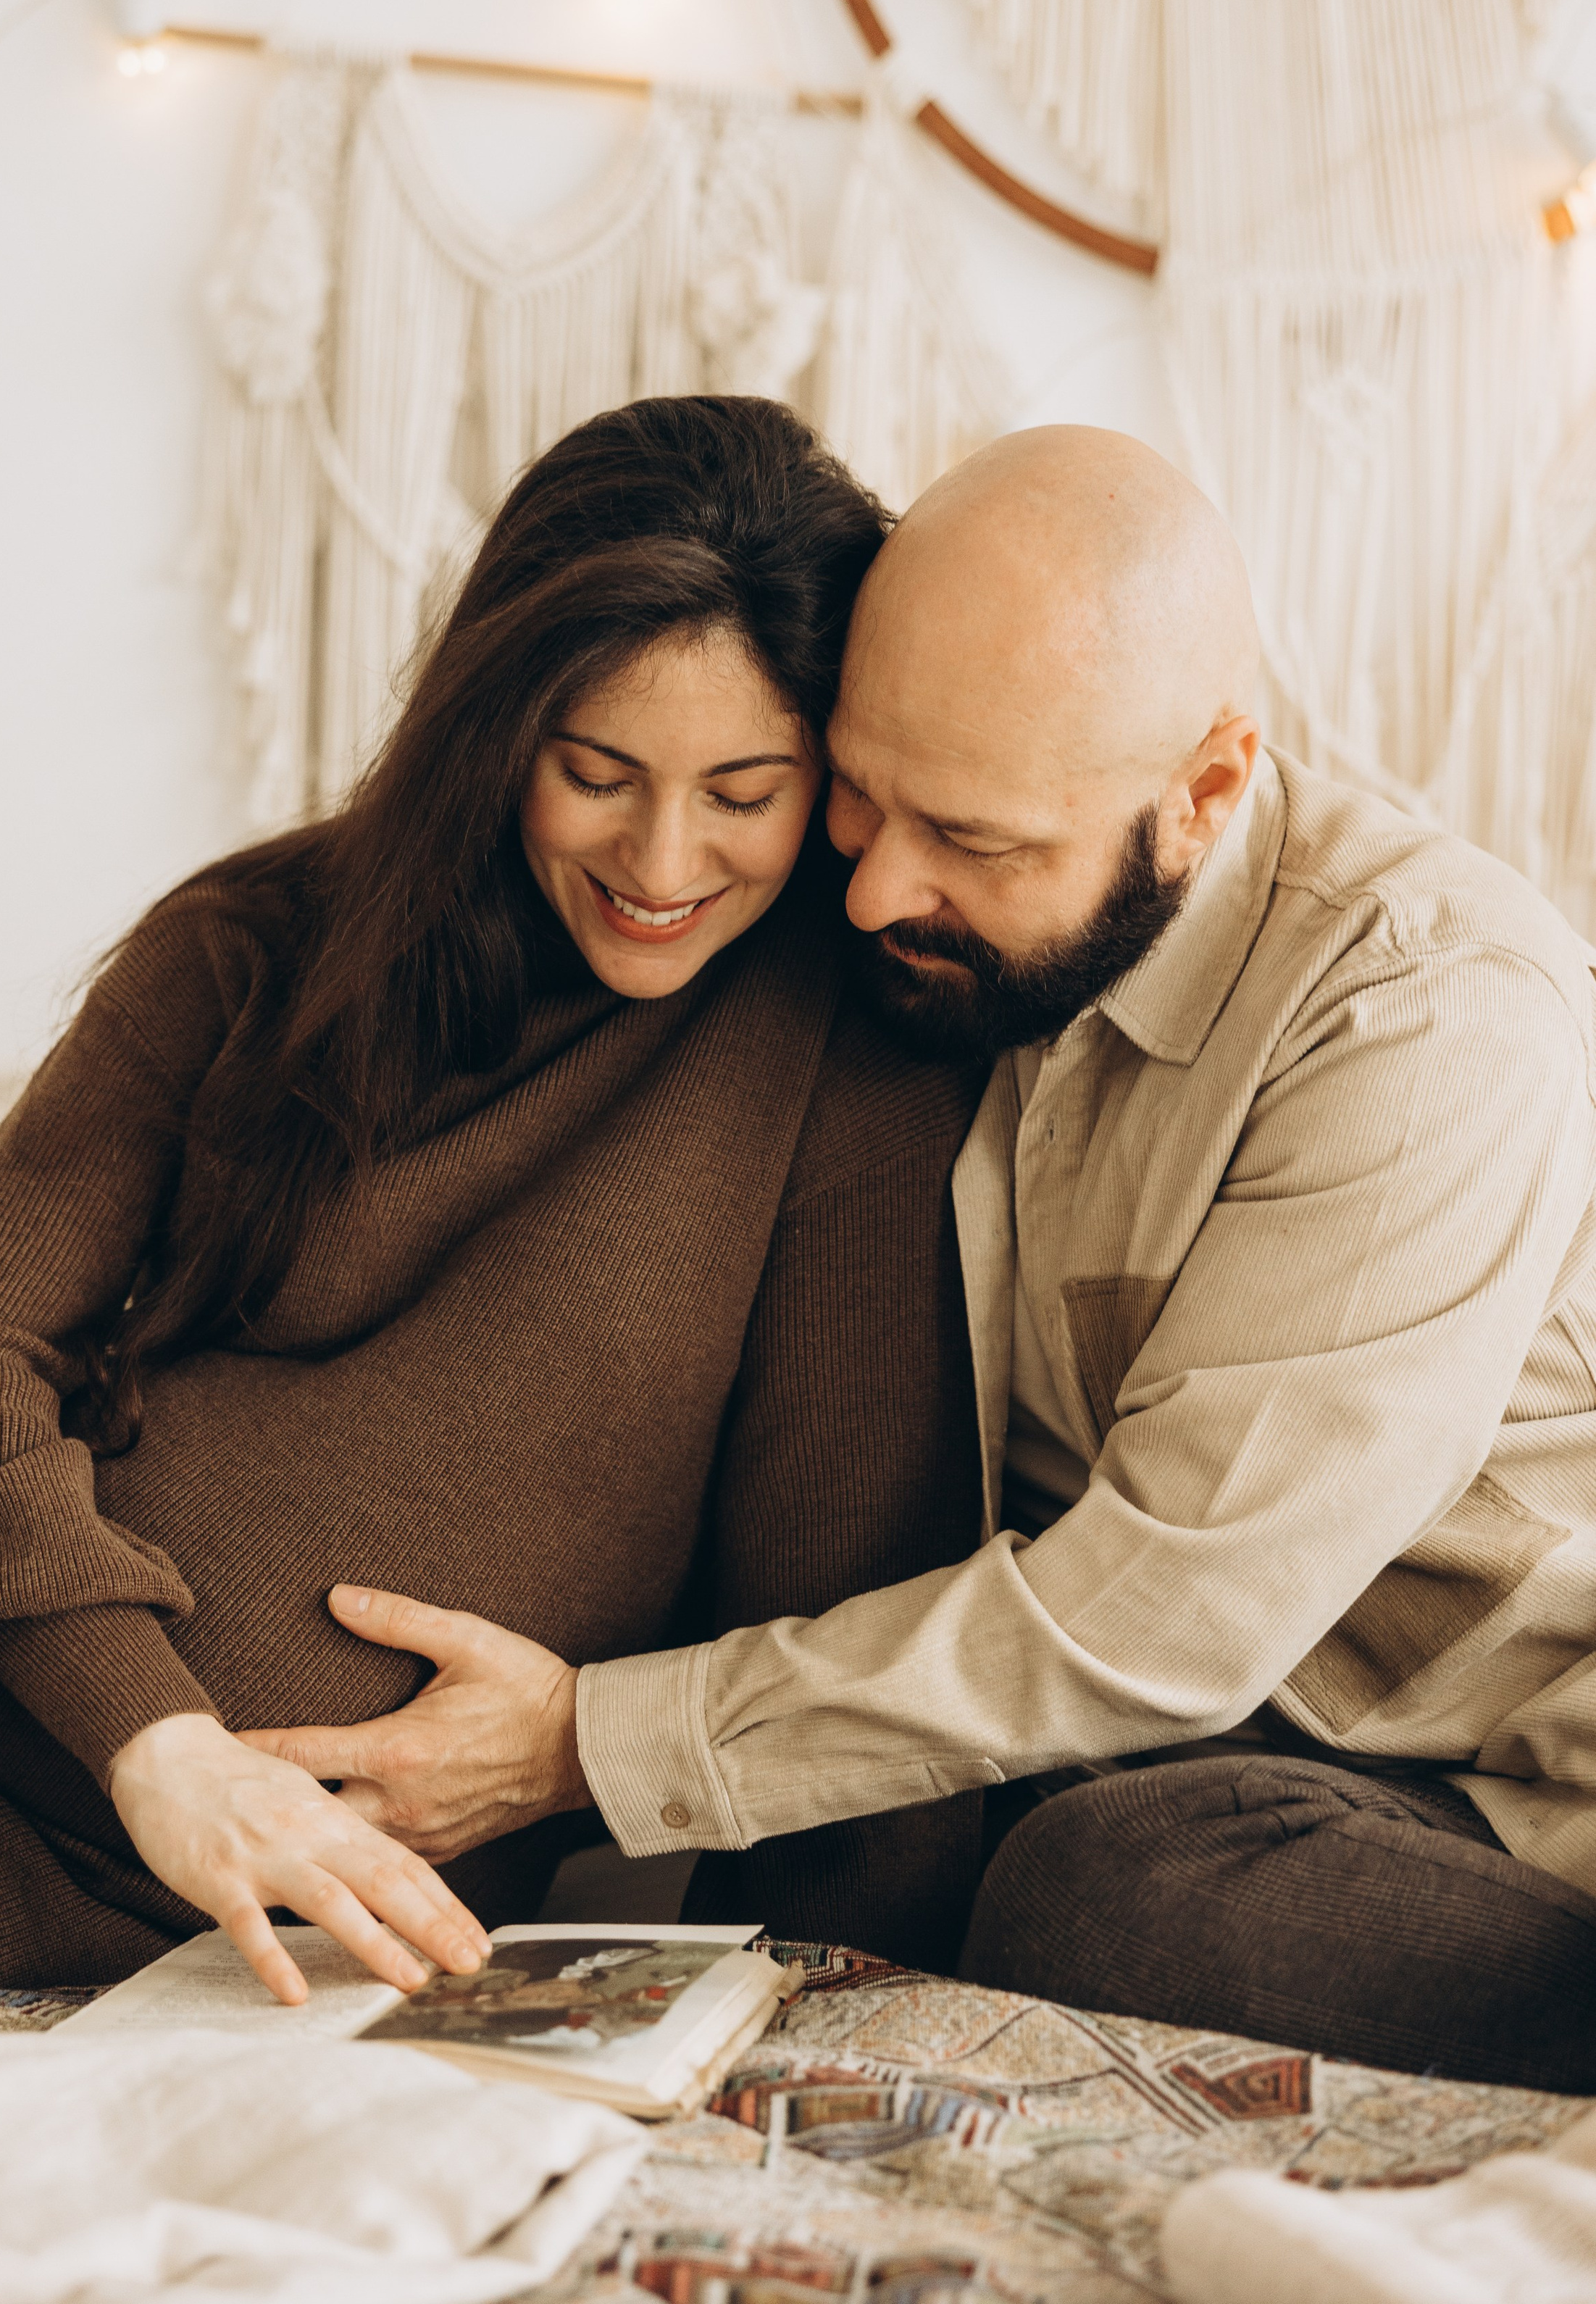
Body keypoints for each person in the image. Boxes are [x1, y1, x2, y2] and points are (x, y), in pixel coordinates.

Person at [276, 424, 1596, 2093]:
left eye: (973, 840)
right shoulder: (881, 936)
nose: (882, 881)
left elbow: (1169, 1622)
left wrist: (581, 1745)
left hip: (1488, 1769)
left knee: (1103, 1893)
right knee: (915, 1858)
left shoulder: (1423, 1011)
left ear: (1197, 795)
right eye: (853, 790)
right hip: (1181, 1731)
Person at [0, 396, 989, 1998]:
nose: (662, 856)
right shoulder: (264, 941)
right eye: (594, 772)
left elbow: (839, 1620)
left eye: (743, 793)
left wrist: (837, 2007)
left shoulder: (840, 1064)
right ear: (497, 734)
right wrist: (162, 1743)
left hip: (109, 1885)